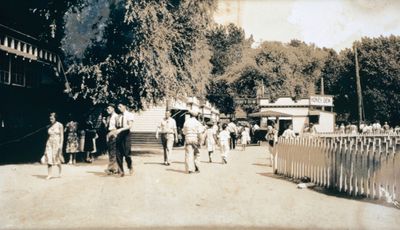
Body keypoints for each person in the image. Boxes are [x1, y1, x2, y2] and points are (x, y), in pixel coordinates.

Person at [115, 103, 134, 177]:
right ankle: (121, 171)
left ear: (124, 106)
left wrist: (121, 130)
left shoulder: (129, 115)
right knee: (118, 154)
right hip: (119, 135)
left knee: (127, 154)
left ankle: (130, 166)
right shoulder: (118, 116)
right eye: (118, 106)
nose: (119, 108)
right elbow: (116, 126)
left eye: (120, 106)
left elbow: (130, 126)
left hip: (126, 135)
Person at [43, 112, 64, 180]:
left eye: (52, 118)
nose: (50, 119)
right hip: (49, 143)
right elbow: (48, 135)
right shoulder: (49, 126)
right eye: (50, 118)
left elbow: (62, 136)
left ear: (55, 118)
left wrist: (61, 145)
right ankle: (49, 174)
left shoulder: (60, 125)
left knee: (56, 159)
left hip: (57, 143)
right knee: (49, 157)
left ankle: (60, 171)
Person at [103, 104, 120, 175]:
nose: (107, 110)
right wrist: (104, 123)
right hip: (109, 134)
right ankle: (115, 169)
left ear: (113, 109)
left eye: (109, 109)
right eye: (107, 109)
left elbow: (118, 126)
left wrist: (116, 134)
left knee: (113, 152)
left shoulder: (116, 116)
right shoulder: (108, 117)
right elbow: (107, 127)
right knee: (110, 152)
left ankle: (110, 169)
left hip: (114, 134)